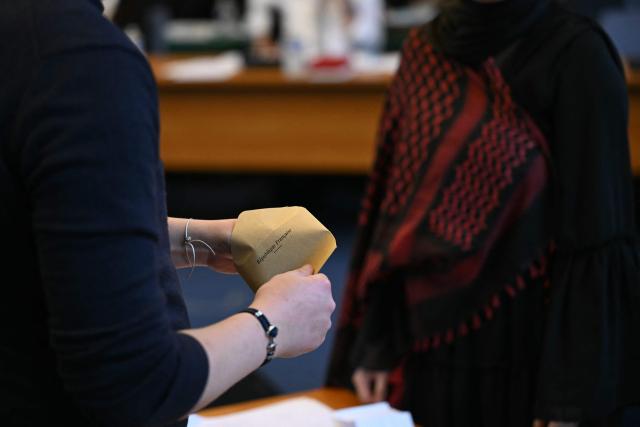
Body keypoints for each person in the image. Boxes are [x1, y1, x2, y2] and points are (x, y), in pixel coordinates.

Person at [0, 1, 335, 426]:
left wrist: (193, 240)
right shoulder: (78, 62)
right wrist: (272, 325)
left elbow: (28, 226)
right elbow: (133, 382)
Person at [327, 0, 640, 426]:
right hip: (428, 350)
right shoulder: (425, 48)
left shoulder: (576, 53)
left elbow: (597, 234)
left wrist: (571, 399)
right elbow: (394, 210)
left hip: (531, 353)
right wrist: (377, 342)